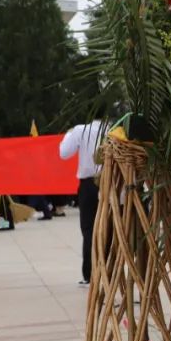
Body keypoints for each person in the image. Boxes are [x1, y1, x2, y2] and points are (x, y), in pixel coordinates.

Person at [59, 120, 104, 285]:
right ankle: (109, 272)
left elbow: (64, 153)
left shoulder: (80, 130)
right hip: (111, 182)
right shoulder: (114, 129)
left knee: (89, 229)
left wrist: (69, 134)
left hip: (89, 184)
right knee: (110, 228)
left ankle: (90, 274)